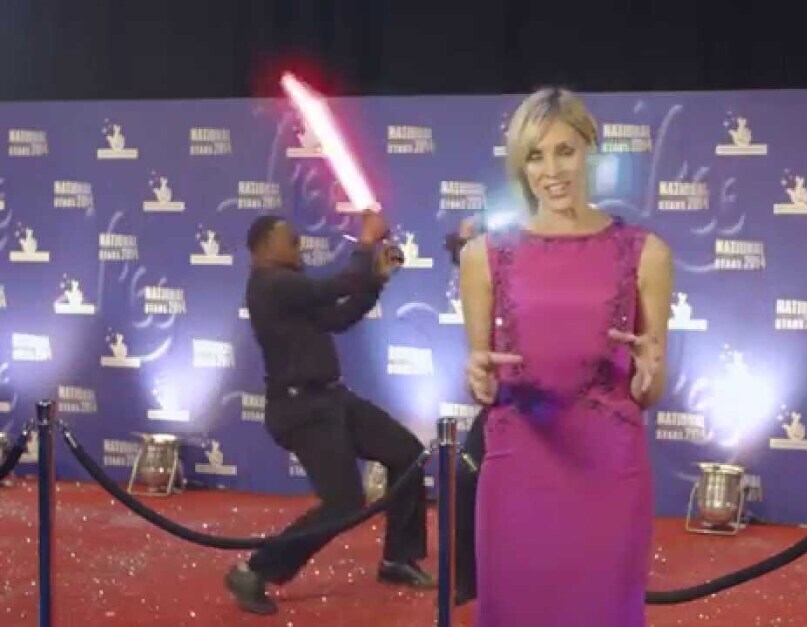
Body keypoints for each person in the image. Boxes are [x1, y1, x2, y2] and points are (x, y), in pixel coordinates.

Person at [459, 87, 673, 626]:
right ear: (520, 165)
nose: (551, 171)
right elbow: (482, 382)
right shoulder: (483, 257)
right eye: (535, 156)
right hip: (518, 468)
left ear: (590, 151)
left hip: (610, 471)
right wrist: (478, 380)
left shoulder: (646, 252)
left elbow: (649, 390)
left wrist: (648, 375)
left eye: (565, 151)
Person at [224, 211, 435, 616]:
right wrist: (366, 242)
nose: (300, 245)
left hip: (331, 400)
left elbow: (340, 317)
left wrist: (377, 280)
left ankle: (398, 560)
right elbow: (339, 286)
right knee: (343, 502)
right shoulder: (271, 285)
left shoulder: (289, 291)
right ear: (264, 247)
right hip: (301, 410)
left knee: (407, 454)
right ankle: (254, 571)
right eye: (291, 240)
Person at [444, 215, 487, 606]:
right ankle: (466, 580)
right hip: (504, 403)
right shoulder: (484, 273)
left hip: (555, 404)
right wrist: (464, 242)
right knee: (467, 475)